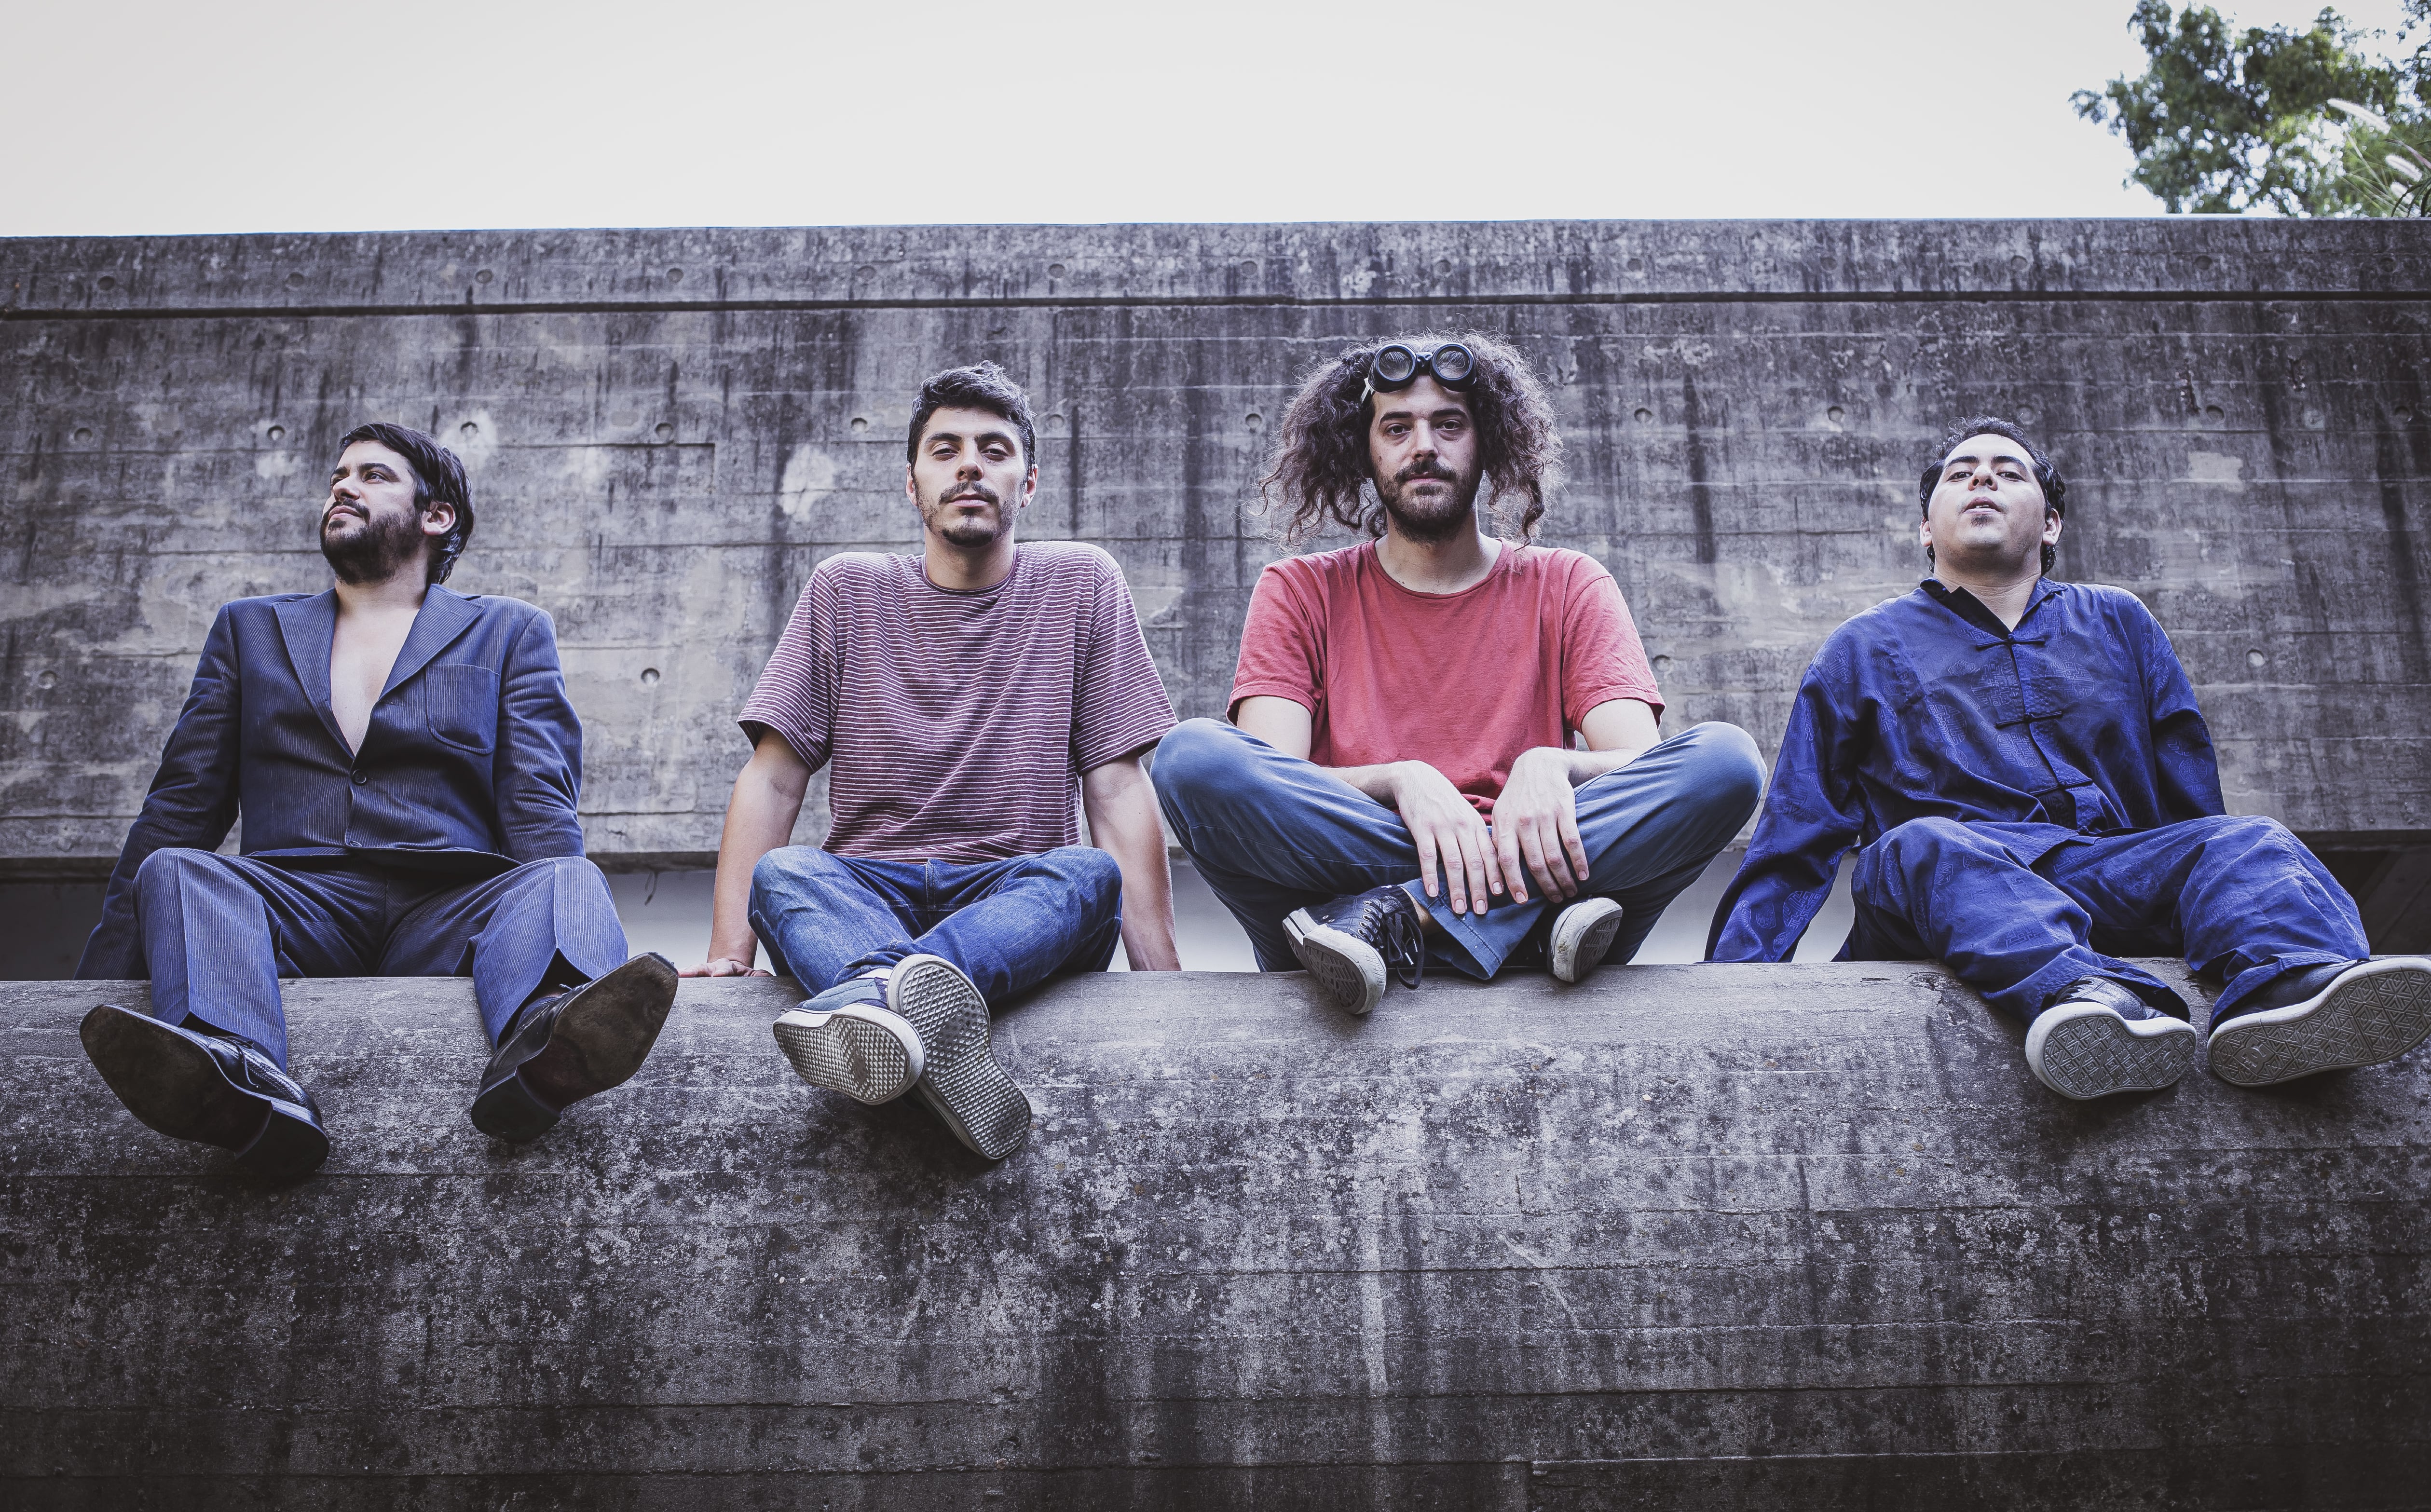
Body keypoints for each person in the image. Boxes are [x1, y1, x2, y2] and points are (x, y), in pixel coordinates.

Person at [1708, 417, 2431, 1099]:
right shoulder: (1863, 647)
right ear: (1926, 528)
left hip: (2106, 873)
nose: (1982, 480)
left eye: (2007, 472)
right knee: (1917, 844)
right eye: (1960, 473)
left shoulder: (2119, 620)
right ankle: (2091, 1001)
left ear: (2051, 523)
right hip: (1948, 892)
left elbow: (2190, 798)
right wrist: (1732, 985)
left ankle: (2293, 988)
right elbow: (1798, 831)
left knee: (2249, 841)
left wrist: (2215, 899)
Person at [77, 422, 675, 1179]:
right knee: (177, 866)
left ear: (437, 516)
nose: (343, 488)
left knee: (564, 873)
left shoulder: (508, 630)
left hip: (449, 907)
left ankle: (549, 1044)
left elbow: (537, 799)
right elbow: (182, 800)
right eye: (338, 477)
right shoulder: (249, 628)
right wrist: (92, 980)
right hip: (294, 901)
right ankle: (240, 1079)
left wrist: (569, 935)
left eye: (373, 476)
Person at [1149, 336, 1765, 1013]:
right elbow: (1272, 776)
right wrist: (1398, 781)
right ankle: (1520, 927)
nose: (1424, 447)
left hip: (1344, 924)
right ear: (1363, 450)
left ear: (1488, 441)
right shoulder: (1300, 590)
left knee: (1726, 762)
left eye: (1449, 425)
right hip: (1419, 879)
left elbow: (1642, 766)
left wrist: (1553, 764)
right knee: (1192, 758)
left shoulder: (1569, 583)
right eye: (1396, 428)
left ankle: (1401, 917)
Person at [686, 362, 1178, 1161]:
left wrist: (1164, 978)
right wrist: (727, 957)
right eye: (945, 450)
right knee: (785, 875)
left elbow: (1118, 786)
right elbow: (773, 777)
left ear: (1028, 484)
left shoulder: (1083, 584)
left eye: (994, 450)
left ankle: (877, 997)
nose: (970, 466)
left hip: (1013, 900)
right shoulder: (846, 590)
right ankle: (927, 1023)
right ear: (912, 485)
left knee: (1088, 876)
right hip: (865, 893)